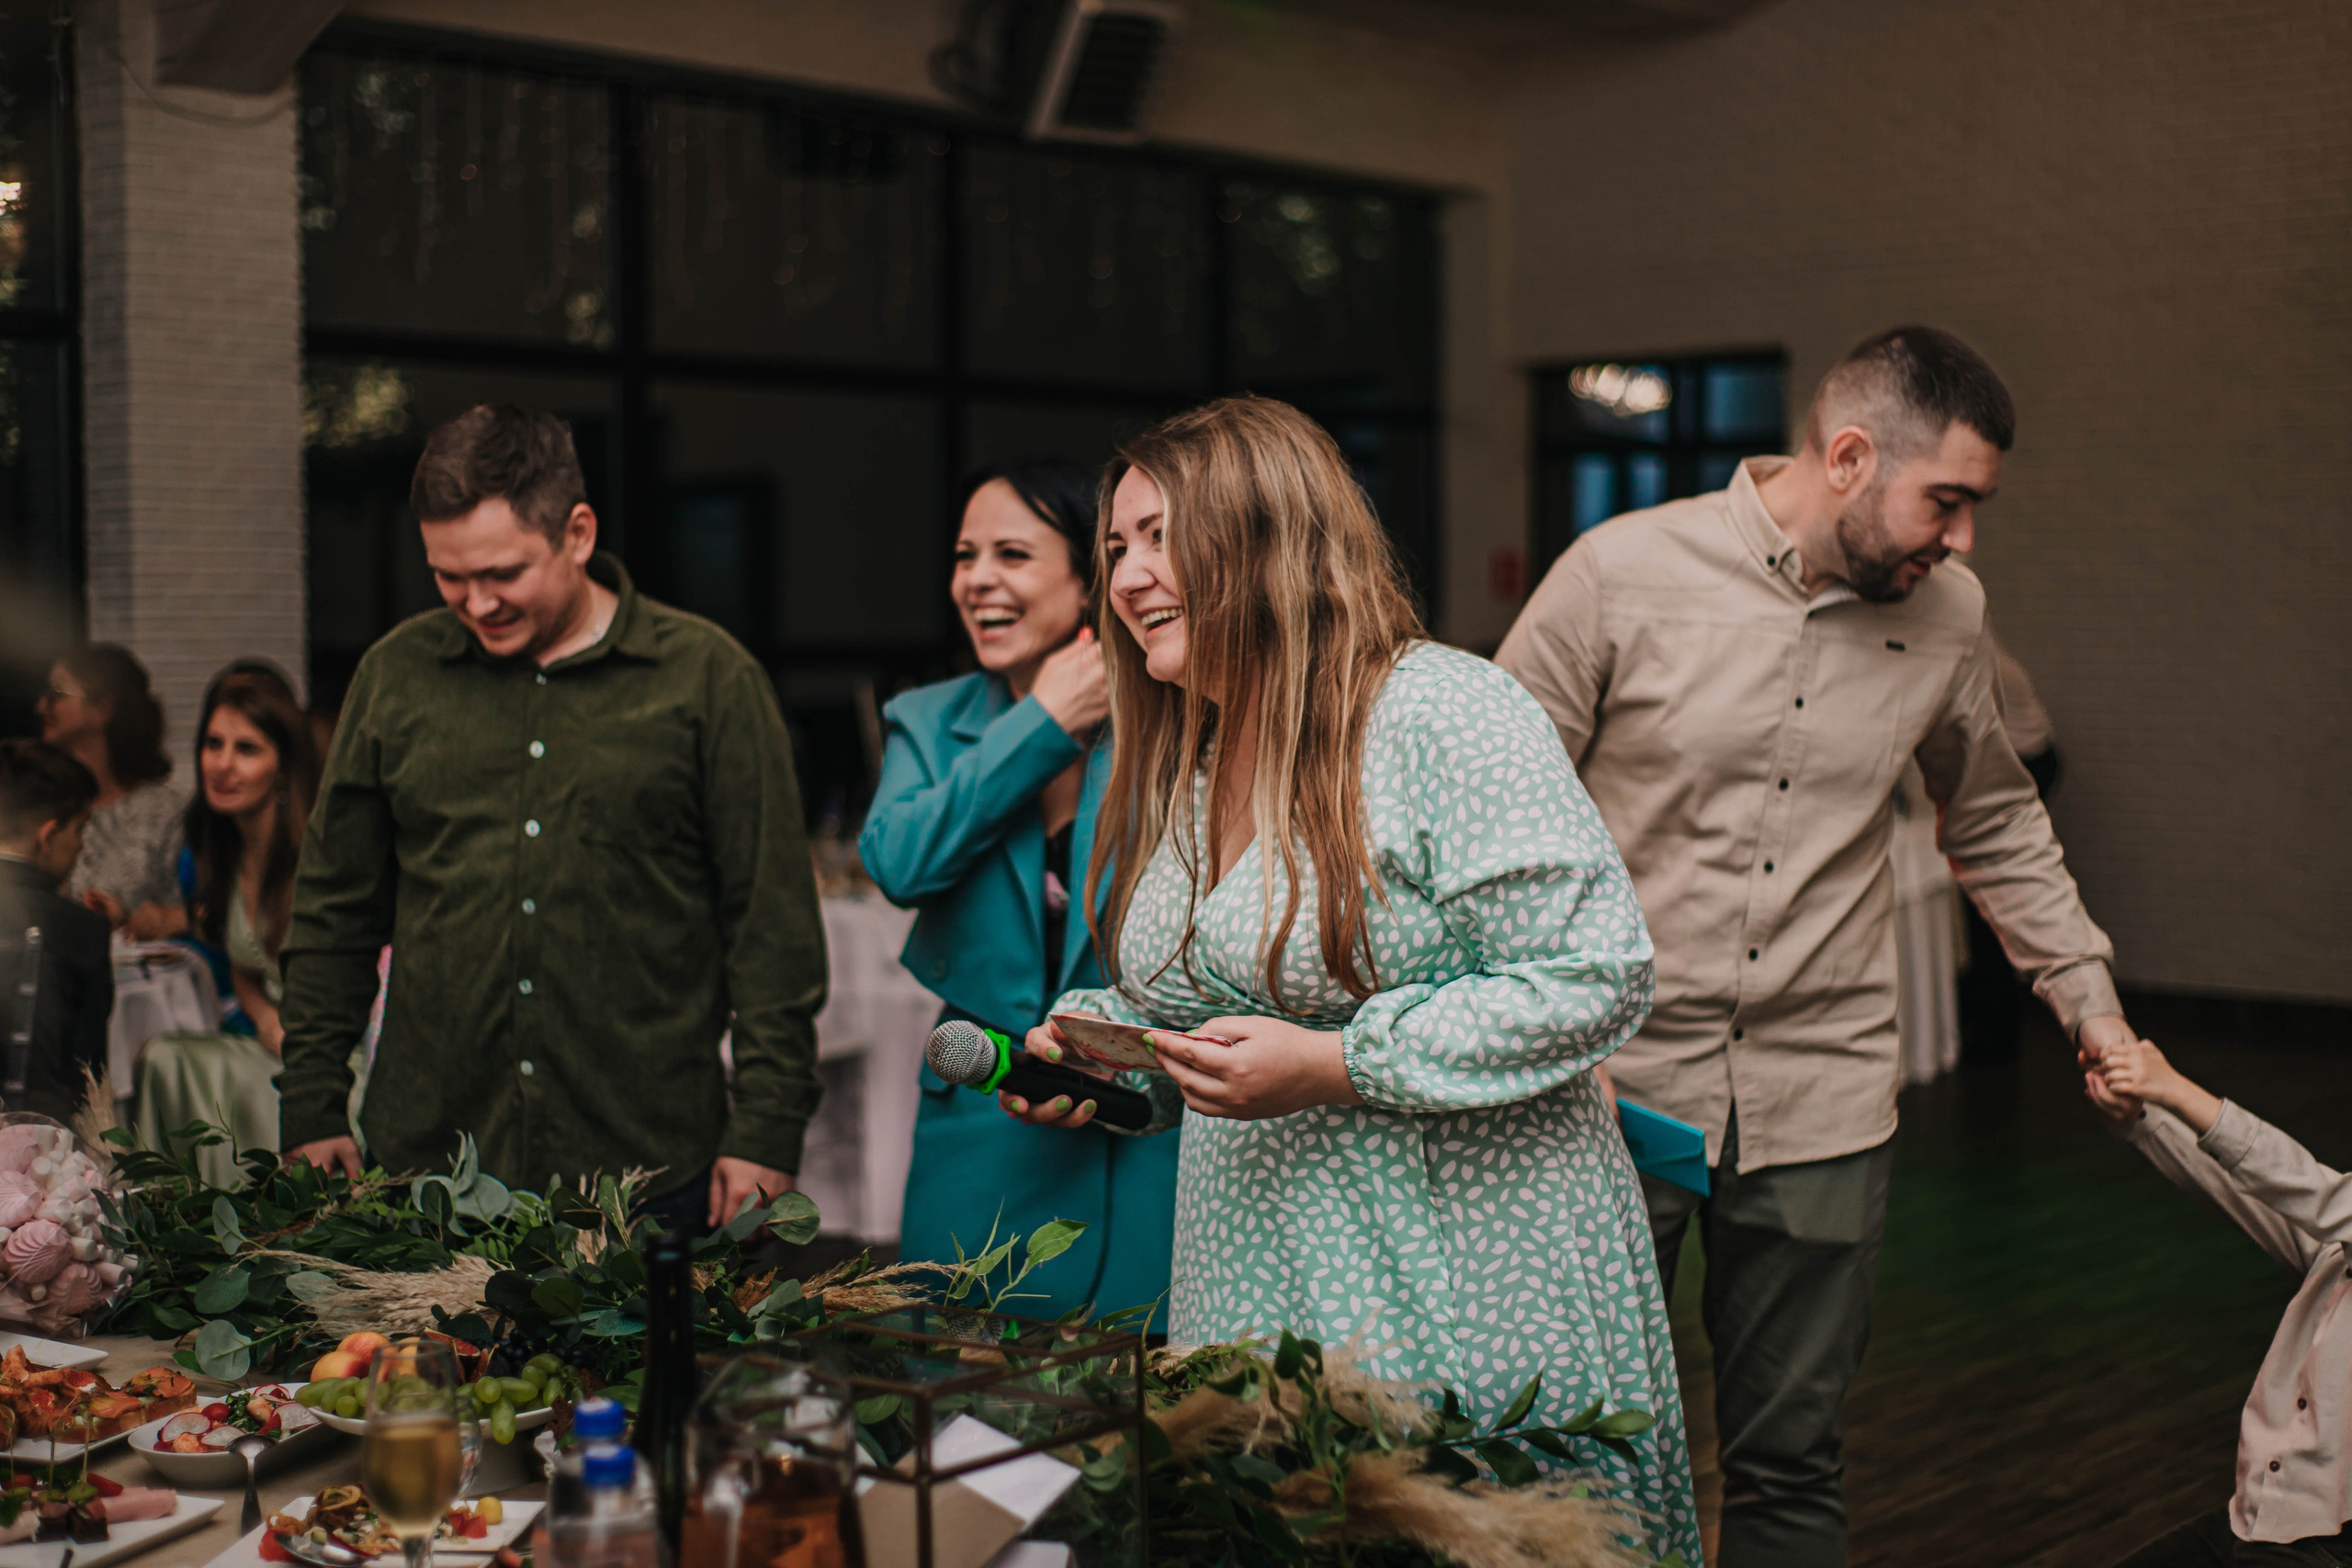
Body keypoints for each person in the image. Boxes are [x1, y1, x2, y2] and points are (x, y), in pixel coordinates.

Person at [1005, 397, 1700, 1562]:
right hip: (1257, 1297)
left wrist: (1338, 1065)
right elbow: (1219, 999)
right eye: (1115, 547)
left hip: (1456, 1290)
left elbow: (1593, 975)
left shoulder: (1436, 710)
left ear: (1267, 538)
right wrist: (1102, 1044)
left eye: (1159, 536)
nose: (1125, 577)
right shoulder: (1199, 746)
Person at [1496, 324, 2139, 1565]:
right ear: (1848, 455)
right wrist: (1527, 1025)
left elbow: (1997, 817)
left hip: (1826, 1094)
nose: (1961, 539)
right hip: (1608, 1089)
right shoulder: (1618, 573)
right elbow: (1486, 809)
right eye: (1945, 501)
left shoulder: (1950, 614)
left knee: (1793, 1461)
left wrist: (2090, 1000)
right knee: (1568, 1441)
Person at [277, 404, 828, 1235]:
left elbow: (772, 931)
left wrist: (767, 1125)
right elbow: (334, 912)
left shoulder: (707, 679)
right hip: (430, 1173)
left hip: (646, 1177)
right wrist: (312, 1103)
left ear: (577, 532)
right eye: (448, 576)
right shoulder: (395, 677)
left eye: (503, 572)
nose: (477, 601)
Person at [860, 459, 1180, 1327]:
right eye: (966, 556)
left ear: (1088, 580)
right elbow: (899, 863)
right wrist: (1038, 727)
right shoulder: (928, 721)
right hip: (985, 1133)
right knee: (964, 1409)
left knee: (1145, 1417)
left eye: (1012, 554)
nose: (978, 581)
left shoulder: (1169, 717)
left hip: (1144, 1134)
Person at [2090, 1039, 2352, 1566]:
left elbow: (2312, 1191)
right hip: (2256, 1521)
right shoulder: (2339, 1244)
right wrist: (2145, 1115)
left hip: (2325, 1546)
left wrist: (2175, 1089)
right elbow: (2252, 1194)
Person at [132, 672, 322, 1187]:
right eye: (214, 744)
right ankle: (179, 1236)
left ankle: (252, 1232)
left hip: (332, 1056)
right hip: (271, 1038)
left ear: (283, 765)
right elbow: (244, 969)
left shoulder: (318, 855)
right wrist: (265, 1019)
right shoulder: (224, 850)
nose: (223, 764)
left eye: (247, 749)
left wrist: (298, 1037)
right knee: (164, 1057)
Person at [1956, 633, 2064, 1065]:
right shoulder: (1974, 647)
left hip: (2027, 761)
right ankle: (1990, 1016)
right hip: (2027, 758)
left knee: (1988, 893)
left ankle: (1996, 1024)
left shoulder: (1970, 656)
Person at [37, 644, 185, 939]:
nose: (41, 707)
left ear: (102, 708)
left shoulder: (163, 810)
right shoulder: (40, 806)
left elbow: (186, 912)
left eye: (57, 696)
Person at [0, 739, 111, 1123]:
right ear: (47, 836)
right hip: (40, 1160)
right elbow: (89, 1085)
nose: (81, 847)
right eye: (80, 830)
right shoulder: (85, 932)